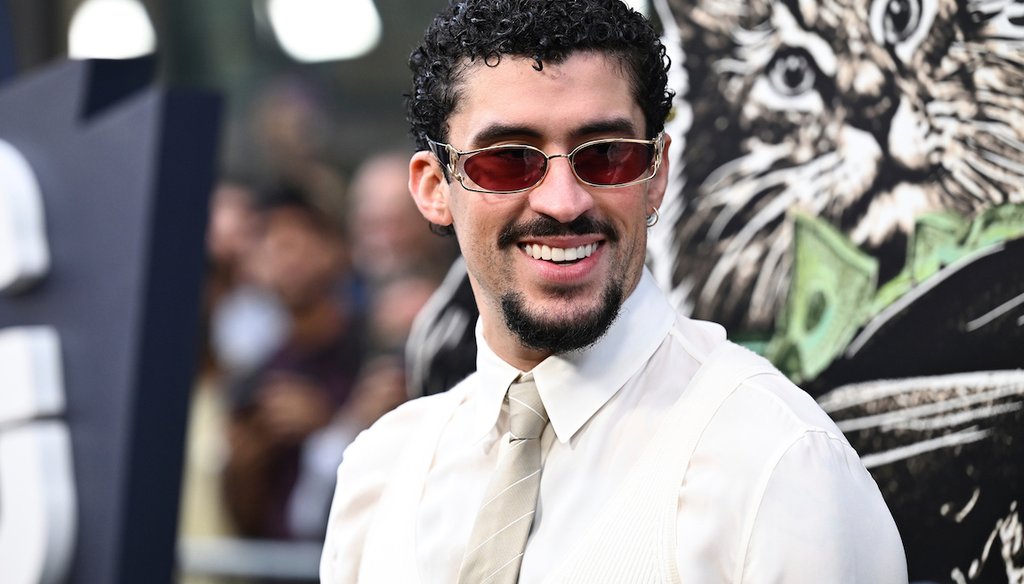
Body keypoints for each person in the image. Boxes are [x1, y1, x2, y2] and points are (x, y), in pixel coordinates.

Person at [320, 0, 908, 582]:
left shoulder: (777, 466)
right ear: (434, 188)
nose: (562, 201)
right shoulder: (381, 476)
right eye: (507, 161)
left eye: (606, 156)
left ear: (656, 175)